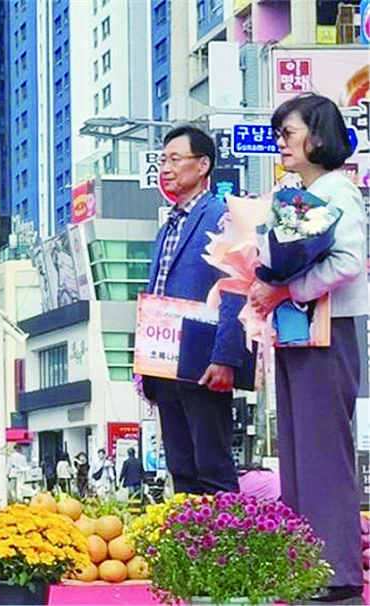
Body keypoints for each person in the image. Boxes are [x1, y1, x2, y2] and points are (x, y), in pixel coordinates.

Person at [249, 93, 367, 604]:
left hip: (330, 329)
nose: (282, 144)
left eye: (288, 133)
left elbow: (349, 262)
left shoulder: (340, 191)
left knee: (324, 453)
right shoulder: (300, 193)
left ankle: (336, 569)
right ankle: (304, 563)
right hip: (298, 331)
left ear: (318, 136)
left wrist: (286, 289)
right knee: (296, 452)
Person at [139, 124, 244, 495]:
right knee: (180, 466)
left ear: (202, 166)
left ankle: (228, 547)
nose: (165, 168)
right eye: (162, 160)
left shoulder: (222, 216)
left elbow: (236, 288)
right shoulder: (167, 225)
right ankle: (190, 547)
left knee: (212, 465)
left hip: (203, 360)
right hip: (164, 362)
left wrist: (226, 357)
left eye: (174, 159)